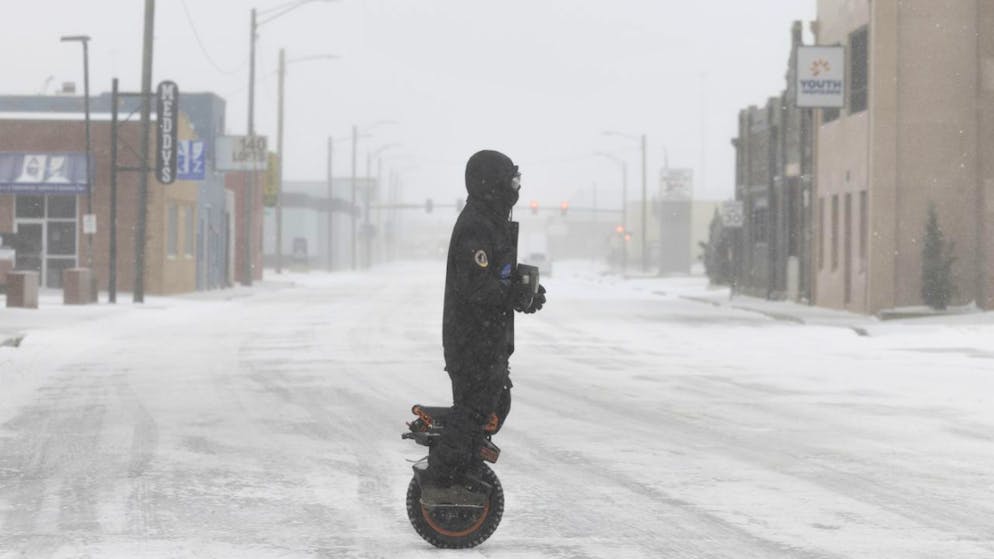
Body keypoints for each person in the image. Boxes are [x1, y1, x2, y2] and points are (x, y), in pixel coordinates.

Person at [422, 149, 547, 504]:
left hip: (486, 337)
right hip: (471, 339)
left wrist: (525, 292)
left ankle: (463, 466)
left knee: (495, 404)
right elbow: (477, 284)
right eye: (511, 180)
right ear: (492, 183)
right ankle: (441, 480)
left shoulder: (490, 220)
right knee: (475, 409)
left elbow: (497, 275)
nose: (516, 187)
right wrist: (513, 296)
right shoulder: (477, 224)